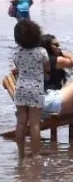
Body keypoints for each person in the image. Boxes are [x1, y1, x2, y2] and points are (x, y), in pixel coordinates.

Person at [12, 20, 49, 157]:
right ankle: (36, 154)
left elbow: (18, 67)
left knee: (21, 122)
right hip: (36, 89)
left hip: (20, 89)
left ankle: (21, 153)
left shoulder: (17, 53)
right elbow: (47, 68)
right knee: (34, 123)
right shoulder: (41, 52)